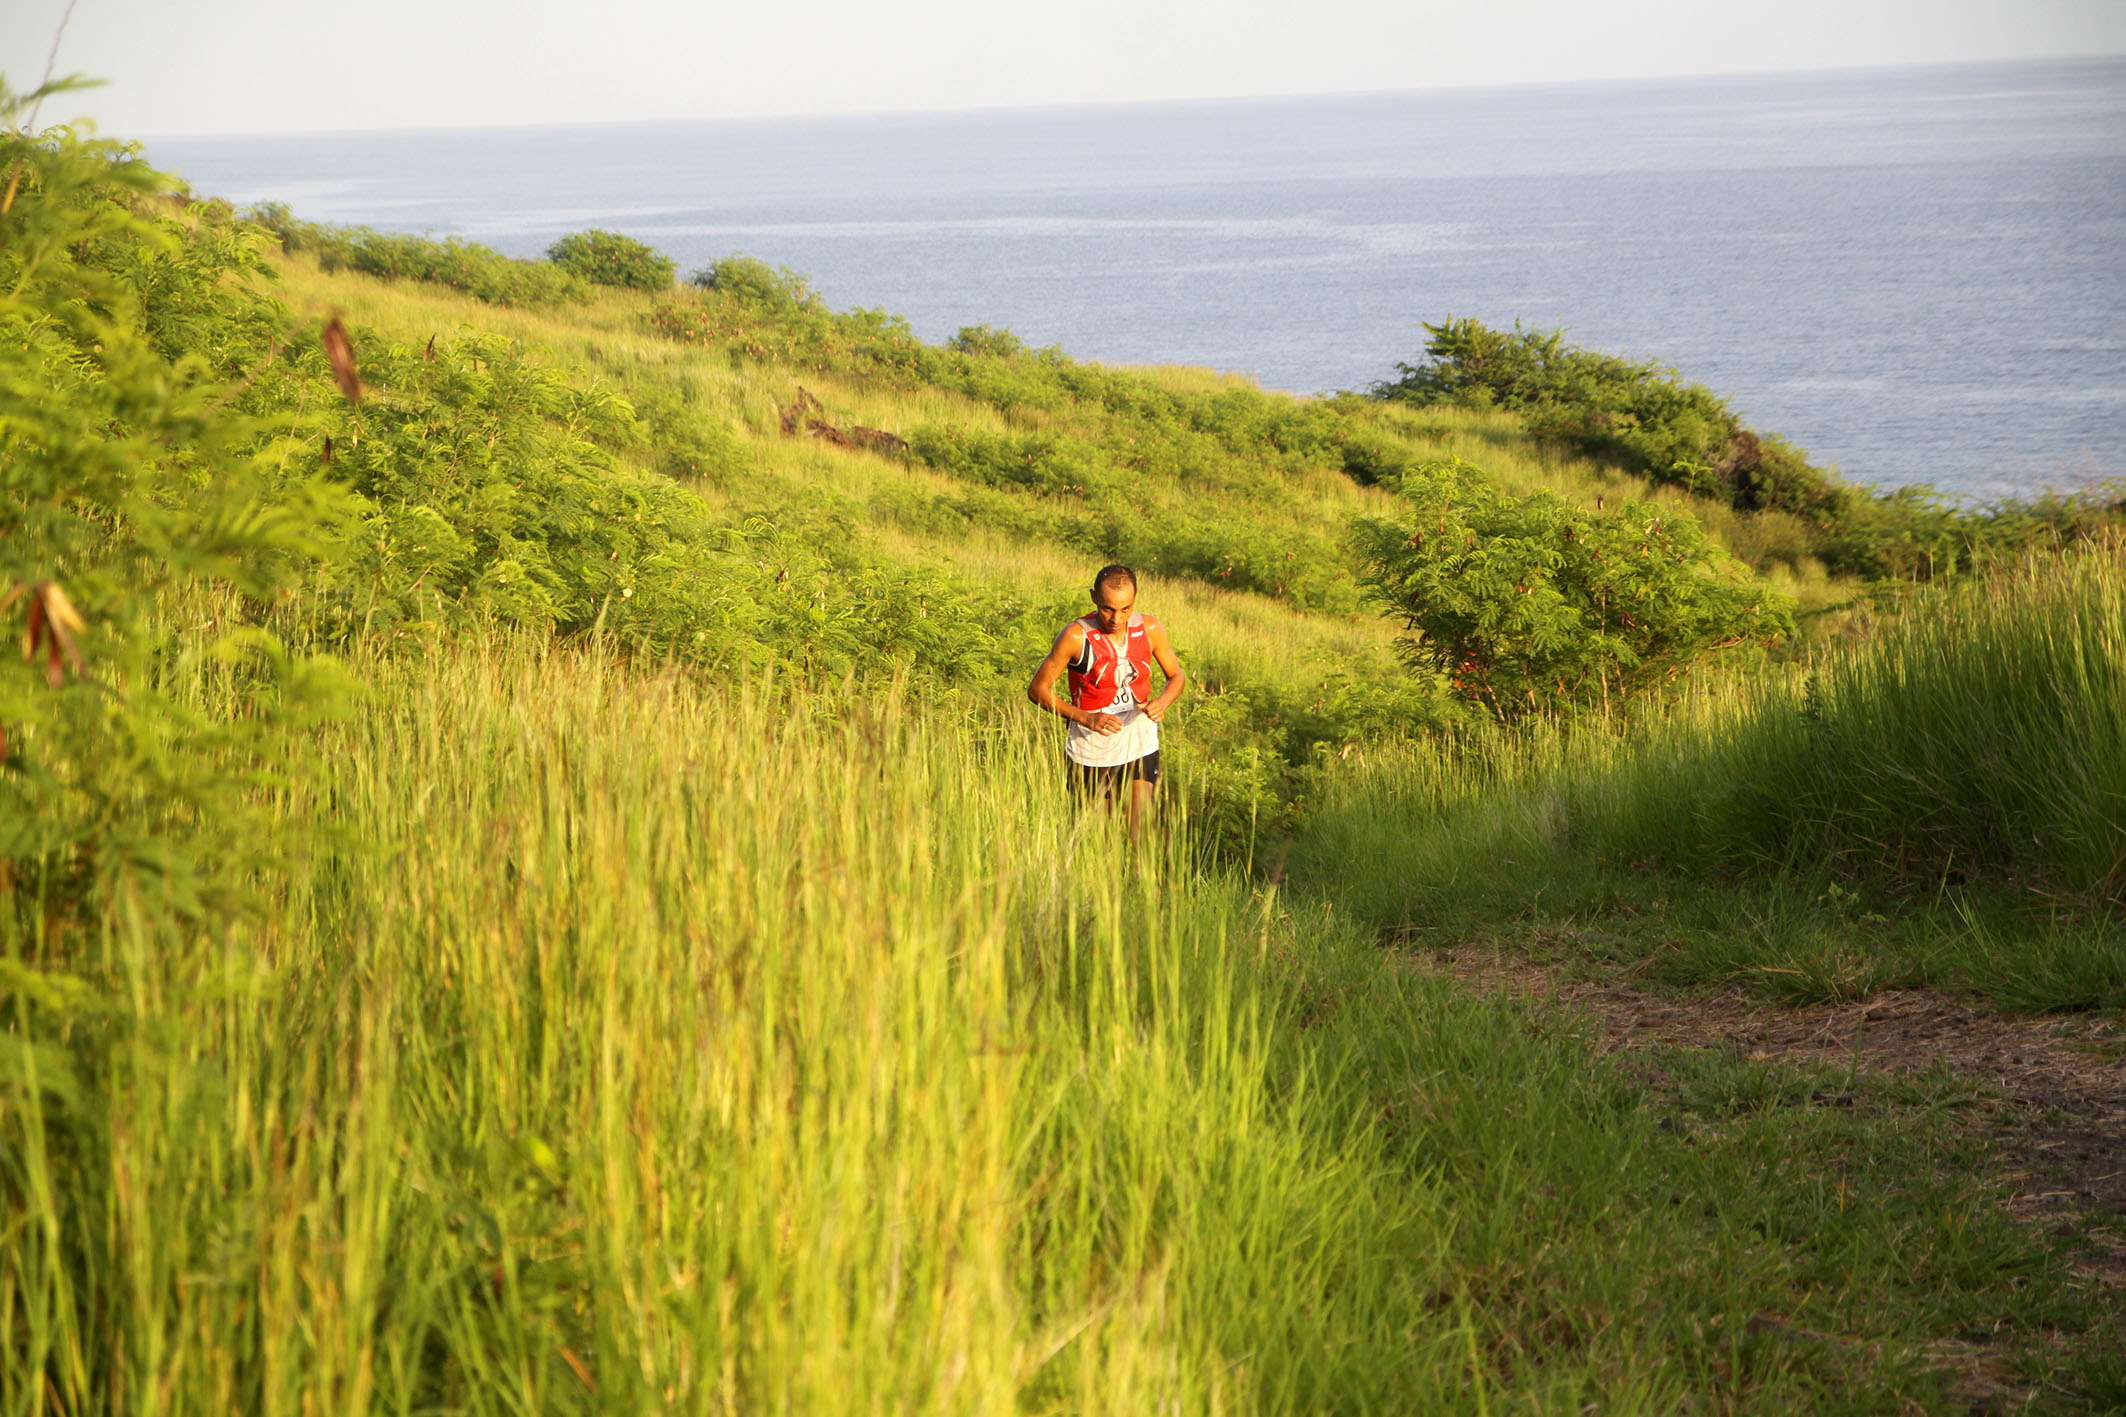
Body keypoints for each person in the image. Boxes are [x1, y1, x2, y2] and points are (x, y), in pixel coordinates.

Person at [1026, 564, 1186, 835]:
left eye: (1125, 609)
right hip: (1092, 748)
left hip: (1139, 739)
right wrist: (1086, 717)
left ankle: (1142, 877)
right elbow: (1037, 690)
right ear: (1094, 598)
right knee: (1100, 837)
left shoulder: (1150, 628)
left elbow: (1176, 675)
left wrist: (1162, 702)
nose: (1116, 618)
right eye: (1107, 608)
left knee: (1140, 832)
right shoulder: (1076, 636)